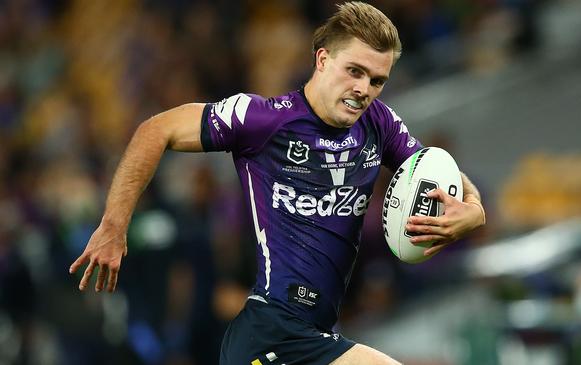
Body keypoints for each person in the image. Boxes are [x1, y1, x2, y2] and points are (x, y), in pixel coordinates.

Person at [69, 2, 486, 364]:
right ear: (322, 60)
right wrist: (113, 226)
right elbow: (154, 130)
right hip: (271, 332)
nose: (364, 89)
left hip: (312, 335)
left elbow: (436, 171)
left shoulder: (379, 124)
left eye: (377, 80)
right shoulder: (263, 120)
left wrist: (473, 207)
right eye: (354, 71)